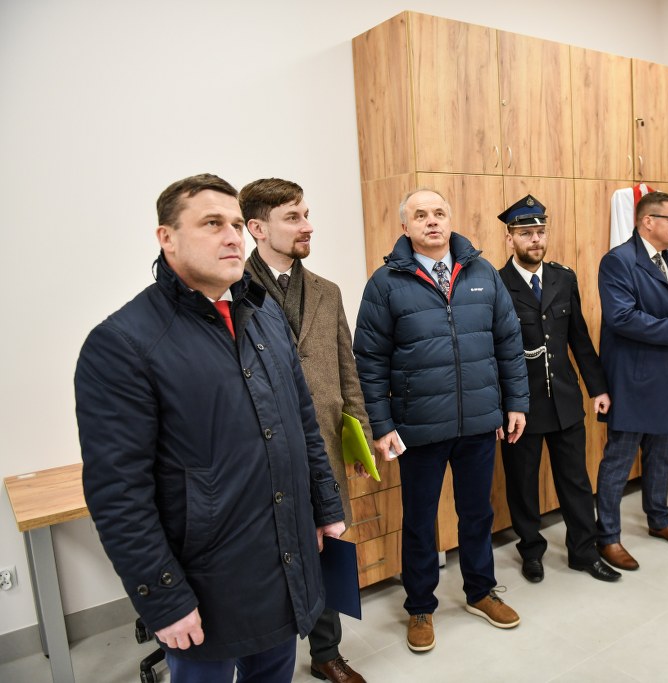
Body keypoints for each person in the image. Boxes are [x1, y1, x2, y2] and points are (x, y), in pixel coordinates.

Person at [75, 174, 347, 682]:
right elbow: (118, 493)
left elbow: (302, 423)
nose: (232, 237)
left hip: (284, 561)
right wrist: (165, 599)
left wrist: (325, 506)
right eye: (212, 224)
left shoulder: (264, 318)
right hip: (205, 585)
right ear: (167, 238)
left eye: (237, 225)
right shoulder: (123, 344)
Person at [353, 188, 529, 653]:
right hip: (418, 427)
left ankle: (480, 591)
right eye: (420, 215)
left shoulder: (482, 273)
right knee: (419, 520)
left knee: (477, 513)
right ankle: (419, 606)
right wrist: (381, 425)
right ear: (405, 227)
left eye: (439, 213)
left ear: (450, 219)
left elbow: (509, 342)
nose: (431, 221)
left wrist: (516, 403)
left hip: (479, 422)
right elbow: (368, 361)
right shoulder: (385, 283)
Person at [240, 178, 371, 683]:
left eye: (306, 215)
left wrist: (358, 435)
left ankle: (326, 652)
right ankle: (263, 659)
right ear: (257, 228)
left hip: (323, 444)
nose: (308, 226)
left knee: (325, 546)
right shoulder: (231, 292)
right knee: (269, 556)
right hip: (262, 448)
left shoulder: (326, 292)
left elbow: (346, 368)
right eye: (293, 217)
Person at [496, 194, 620, 584]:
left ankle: (583, 552)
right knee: (523, 485)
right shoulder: (496, 284)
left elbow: (578, 338)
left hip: (564, 400)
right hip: (521, 407)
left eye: (540, 231)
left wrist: (597, 388)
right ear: (510, 239)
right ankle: (531, 551)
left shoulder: (563, 277)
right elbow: (490, 352)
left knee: (576, 482)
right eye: (526, 233)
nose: (535, 239)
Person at [595, 190, 668, 571]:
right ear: (647, 222)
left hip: (667, 378)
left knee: (660, 457)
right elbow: (621, 317)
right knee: (618, 461)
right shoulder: (618, 261)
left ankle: (659, 519)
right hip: (633, 380)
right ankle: (608, 537)